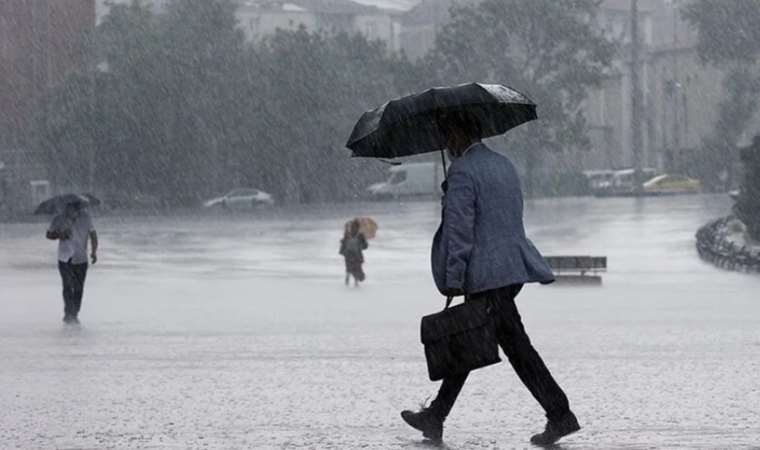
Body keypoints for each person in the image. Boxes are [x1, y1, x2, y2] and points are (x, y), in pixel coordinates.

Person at [400, 112, 579, 446]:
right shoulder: (504, 164)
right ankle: (436, 416)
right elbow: (505, 216)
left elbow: (460, 231)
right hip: (510, 269)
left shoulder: (463, 171)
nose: (445, 143)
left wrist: (454, 277)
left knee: (506, 347)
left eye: (446, 135)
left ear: (458, 132)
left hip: (485, 275)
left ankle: (560, 413)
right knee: (474, 341)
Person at [46, 201, 98, 324]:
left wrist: (94, 252)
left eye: (73, 208)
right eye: (67, 208)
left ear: (77, 208)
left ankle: (74, 312)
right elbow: (48, 234)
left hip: (81, 258)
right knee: (68, 286)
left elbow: (93, 235)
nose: (70, 211)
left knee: (79, 288)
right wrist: (60, 235)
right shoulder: (58, 219)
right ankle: (68, 312)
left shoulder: (86, 218)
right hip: (64, 258)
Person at [339, 219, 368, 286]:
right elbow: (365, 246)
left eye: (354, 226)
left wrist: (361, 245)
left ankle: (351, 279)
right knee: (353, 268)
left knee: (352, 267)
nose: (353, 228)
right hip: (353, 254)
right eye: (353, 226)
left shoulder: (354, 235)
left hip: (352, 254)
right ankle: (352, 282)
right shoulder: (354, 234)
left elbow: (365, 246)